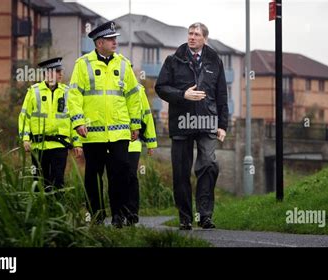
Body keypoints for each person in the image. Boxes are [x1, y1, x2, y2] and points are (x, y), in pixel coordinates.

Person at [68, 21, 142, 228]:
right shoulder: (83, 64)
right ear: (99, 42)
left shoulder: (124, 64)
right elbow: (74, 95)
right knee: (93, 176)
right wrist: (78, 122)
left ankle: (118, 215)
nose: (115, 42)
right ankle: (97, 216)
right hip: (93, 133)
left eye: (115, 38)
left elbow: (133, 96)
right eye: (111, 39)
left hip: (119, 133)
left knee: (119, 174)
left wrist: (135, 124)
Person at [155, 22, 228, 230]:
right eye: (190, 33)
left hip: (207, 122)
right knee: (181, 172)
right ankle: (185, 217)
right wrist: (182, 94)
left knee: (208, 165)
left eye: (196, 34)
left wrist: (222, 124)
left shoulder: (215, 61)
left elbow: (222, 94)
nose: (192, 37)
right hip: (181, 123)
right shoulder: (173, 60)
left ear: (205, 38)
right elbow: (160, 87)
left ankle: (205, 216)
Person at [18, 57, 83, 192]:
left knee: (58, 181)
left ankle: (56, 211)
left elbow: (73, 119)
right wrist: (25, 139)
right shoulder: (33, 92)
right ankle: (41, 211)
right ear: (48, 73)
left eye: (61, 71)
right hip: (38, 146)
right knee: (39, 182)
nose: (61, 74)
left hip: (60, 145)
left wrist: (77, 143)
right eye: (57, 71)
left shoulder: (67, 92)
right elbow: (25, 117)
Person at [121, 87, 157, 225]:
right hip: (114, 140)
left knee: (131, 176)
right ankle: (119, 213)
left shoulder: (138, 89)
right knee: (117, 177)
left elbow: (146, 115)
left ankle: (132, 213)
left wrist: (151, 142)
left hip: (133, 143)